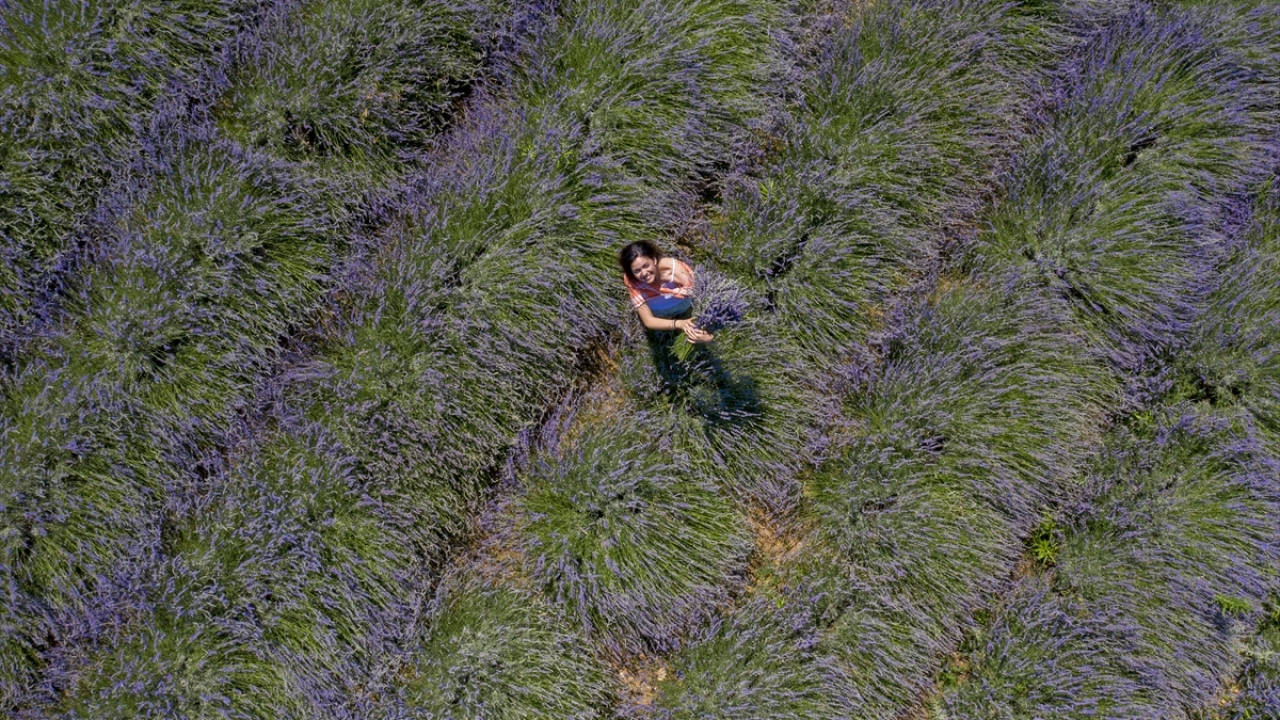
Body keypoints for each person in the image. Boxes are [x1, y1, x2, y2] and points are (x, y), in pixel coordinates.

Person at [618, 240, 713, 344]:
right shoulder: (632, 281)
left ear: (654, 260)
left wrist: (709, 336)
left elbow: (702, 299)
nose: (644, 273)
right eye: (637, 271)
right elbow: (648, 321)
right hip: (659, 315)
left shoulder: (674, 270)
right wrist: (678, 324)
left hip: (685, 305)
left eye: (646, 265)